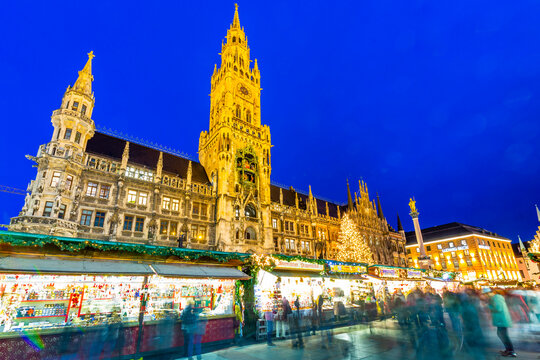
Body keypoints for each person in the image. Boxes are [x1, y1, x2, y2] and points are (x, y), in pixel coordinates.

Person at [488, 289, 516, 357]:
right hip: (501, 320)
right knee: (502, 334)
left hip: (501, 320)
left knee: (503, 335)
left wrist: (489, 306)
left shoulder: (496, 298)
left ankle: (511, 351)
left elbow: (498, 308)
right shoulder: (498, 297)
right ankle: (508, 350)